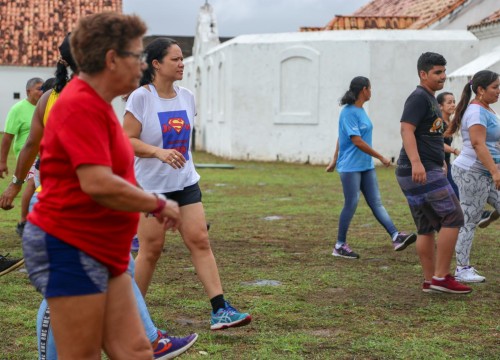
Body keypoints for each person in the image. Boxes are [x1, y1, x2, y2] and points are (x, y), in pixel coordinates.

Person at [1, 32, 197, 360]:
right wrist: (155, 202)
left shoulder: (87, 99)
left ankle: (145, 342)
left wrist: (18, 182)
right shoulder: (71, 102)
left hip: (82, 212)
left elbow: (45, 151)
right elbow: (93, 178)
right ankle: (148, 342)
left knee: (114, 276)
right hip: (64, 216)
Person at [123, 37, 252, 331]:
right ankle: (131, 317)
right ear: (156, 64)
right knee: (151, 251)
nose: (182, 64)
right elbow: (126, 140)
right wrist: (158, 152)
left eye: (183, 59)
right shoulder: (141, 97)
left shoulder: (187, 97)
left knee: (200, 241)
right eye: (175, 59)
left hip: (185, 184)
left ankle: (220, 309)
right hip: (151, 187)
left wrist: (176, 159)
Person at [395, 52, 472, 294]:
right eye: (437, 72)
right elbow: (406, 130)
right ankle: (441, 277)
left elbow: (432, 134)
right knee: (454, 217)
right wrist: (418, 162)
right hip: (419, 170)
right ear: (423, 74)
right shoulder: (418, 98)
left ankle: (430, 280)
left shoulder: (430, 99)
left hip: (424, 168)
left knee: (426, 226)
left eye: (443, 71)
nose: (443, 76)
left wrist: (441, 160)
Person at [325, 76, 416, 259]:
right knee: (351, 203)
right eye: (370, 88)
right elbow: (355, 140)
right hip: (351, 167)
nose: (371, 92)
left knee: (376, 202)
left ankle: (396, 236)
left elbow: (341, 136)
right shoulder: (348, 112)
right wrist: (380, 156)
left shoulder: (361, 110)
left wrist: (334, 158)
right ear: (364, 90)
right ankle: (339, 245)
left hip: (365, 165)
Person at [444, 70, 500, 283]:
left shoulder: (486, 108)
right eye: (495, 87)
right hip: (473, 173)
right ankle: (462, 268)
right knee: (469, 219)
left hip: (488, 172)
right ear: (480, 90)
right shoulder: (476, 112)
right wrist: (495, 172)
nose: (499, 91)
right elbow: (478, 144)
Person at [438, 91, 499, 228]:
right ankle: (474, 216)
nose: (453, 105)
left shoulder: (451, 121)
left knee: (458, 195)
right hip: (439, 165)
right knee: (455, 195)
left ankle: (477, 214)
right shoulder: (438, 122)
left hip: (448, 164)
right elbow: (437, 143)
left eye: (454, 101)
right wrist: (455, 150)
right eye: (449, 102)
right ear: (440, 106)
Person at [0, 77, 43, 237]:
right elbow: (7, 137)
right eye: (38, 88)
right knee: (32, 182)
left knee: (41, 186)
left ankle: (41, 221)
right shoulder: (18, 109)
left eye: (43, 88)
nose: (42, 91)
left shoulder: (44, 106)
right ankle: (23, 223)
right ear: (28, 91)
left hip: (43, 153)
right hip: (26, 154)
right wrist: (2, 161)